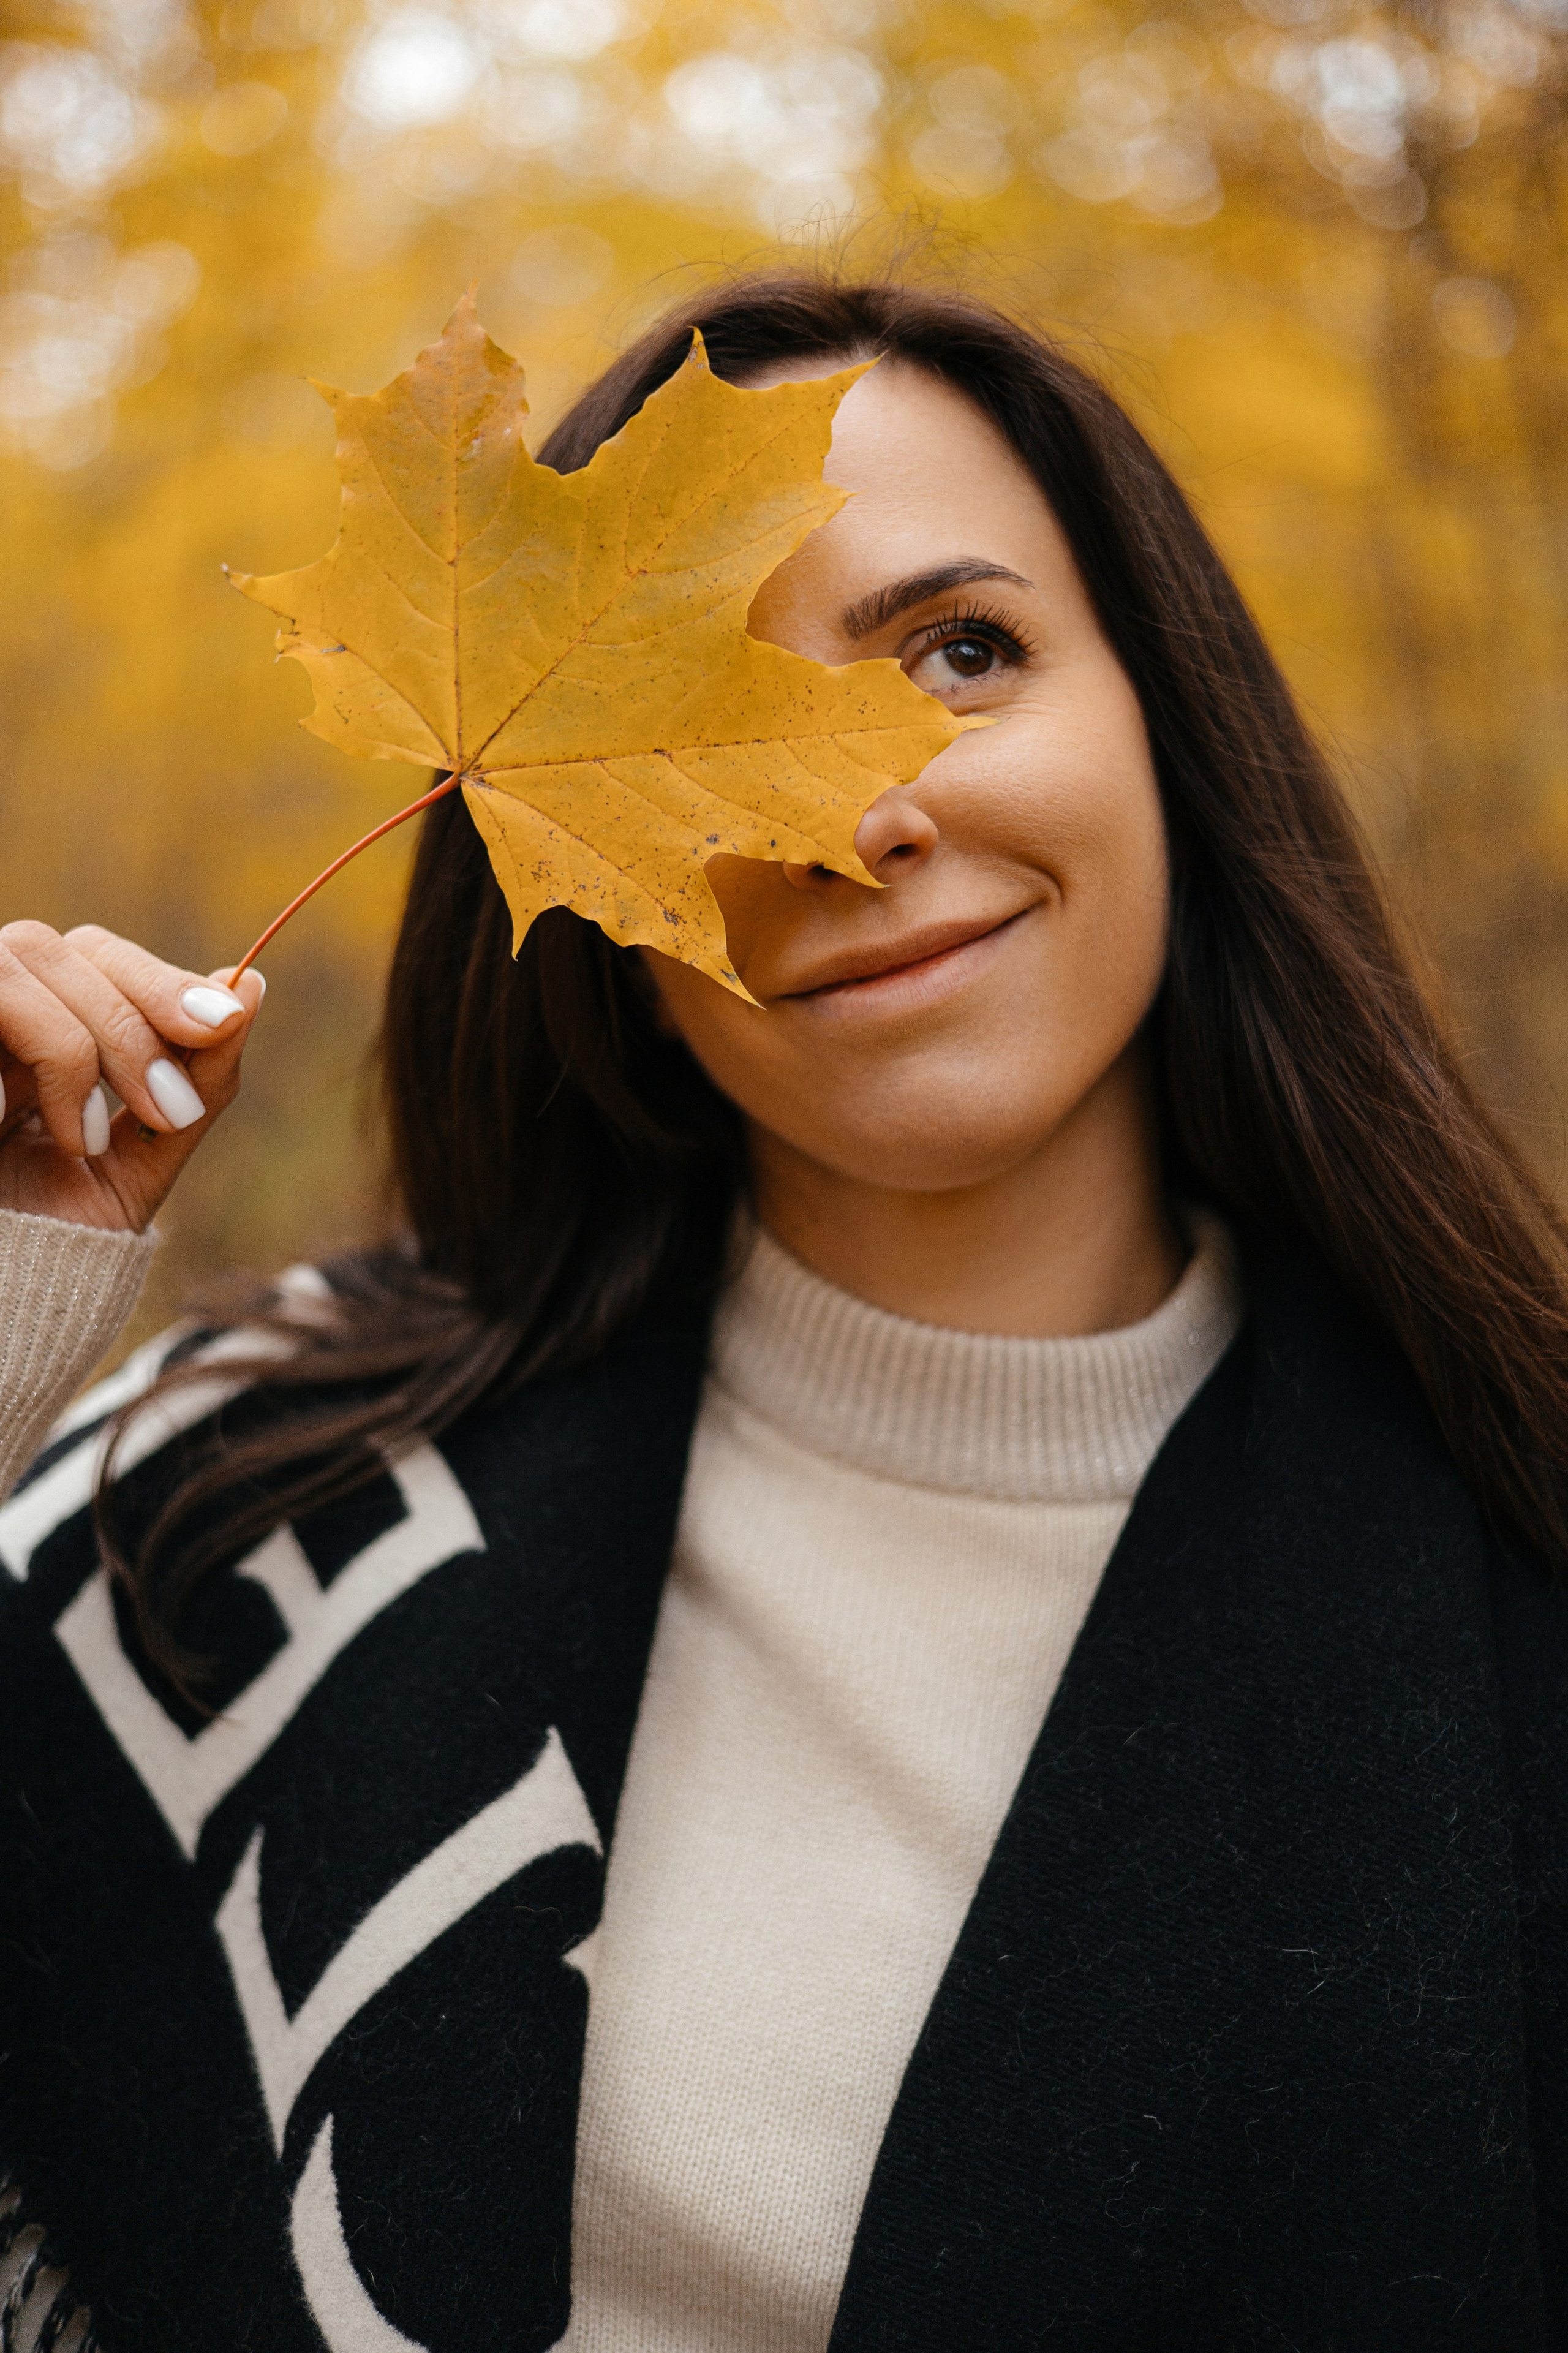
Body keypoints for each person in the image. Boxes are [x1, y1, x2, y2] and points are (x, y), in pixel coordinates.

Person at [0, 273, 1564, 2353]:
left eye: (967, 651)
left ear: (1174, 725)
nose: (854, 813)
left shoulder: (1508, 1573)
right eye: (719, 717)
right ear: (579, 899)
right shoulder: (237, 1485)